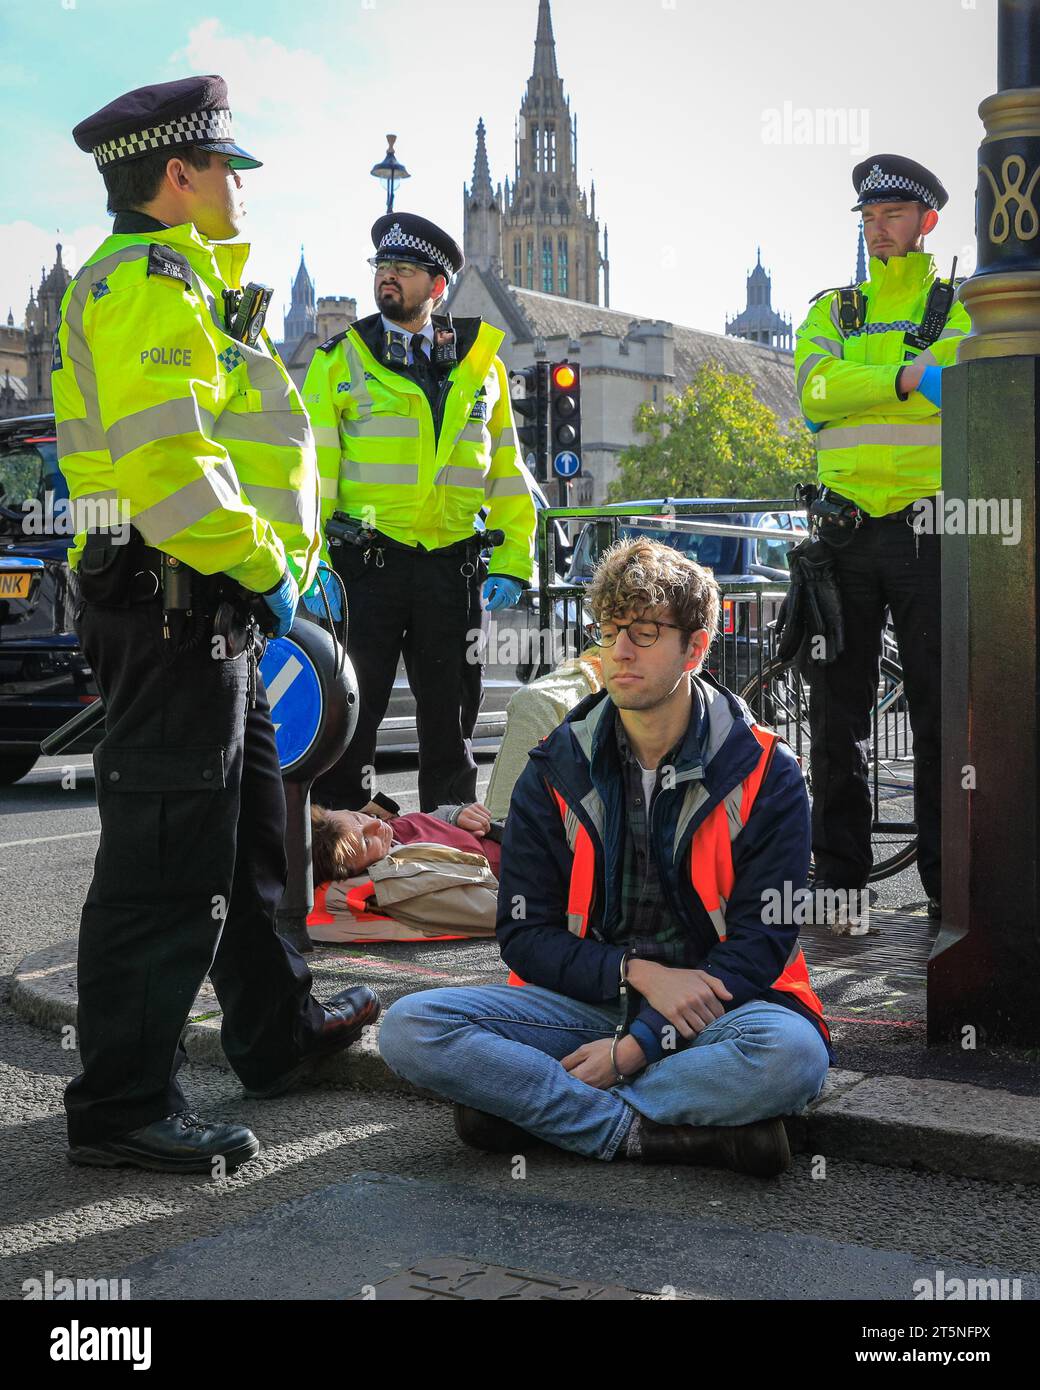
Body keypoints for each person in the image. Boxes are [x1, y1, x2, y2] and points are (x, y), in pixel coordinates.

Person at [54, 75, 379, 1174]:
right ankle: (122, 1105)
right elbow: (168, 470)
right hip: (171, 608)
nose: (241, 188)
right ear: (178, 176)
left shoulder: (188, 287)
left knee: (249, 846)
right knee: (161, 863)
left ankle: (275, 1033)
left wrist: (291, 561)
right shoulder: (146, 285)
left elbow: (241, 452)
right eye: (226, 168)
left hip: (213, 605)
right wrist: (264, 568)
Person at [379, 539, 832, 1178]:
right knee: (411, 1027)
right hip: (589, 998)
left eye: (645, 633)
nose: (619, 651)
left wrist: (638, 1048)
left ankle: (534, 1112)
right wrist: (637, 976)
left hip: (722, 1006)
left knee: (789, 1057)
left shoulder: (766, 770)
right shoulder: (555, 764)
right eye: (612, 629)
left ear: (695, 650)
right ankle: (648, 1132)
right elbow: (524, 936)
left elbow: (763, 943)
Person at [303, 213, 539, 813]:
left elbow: (507, 470)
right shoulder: (339, 360)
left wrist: (513, 558)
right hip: (366, 567)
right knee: (350, 717)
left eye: (403, 270)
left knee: (451, 725)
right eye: (383, 268)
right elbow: (309, 478)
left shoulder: (482, 366)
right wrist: (310, 567)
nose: (388, 279)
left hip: (451, 572)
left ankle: (449, 849)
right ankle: (340, 845)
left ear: (437, 287)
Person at [794, 154, 971, 927]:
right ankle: (839, 883)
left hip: (927, 534)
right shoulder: (830, 310)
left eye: (891, 216)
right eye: (867, 219)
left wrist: (868, 384)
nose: (876, 229)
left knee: (940, 716)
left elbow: (960, 385)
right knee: (837, 718)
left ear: (927, 221)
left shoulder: (960, 308)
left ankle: (947, 889)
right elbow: (812, 393)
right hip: (842, 536)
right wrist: (905, 379)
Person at [311, 801, 502, 881]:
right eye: (366, 842)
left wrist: (456, 814)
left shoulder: (393, 830)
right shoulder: (402, 873)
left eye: (358, 817)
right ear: (354, 871)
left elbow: (429, 819)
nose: (376, 824)